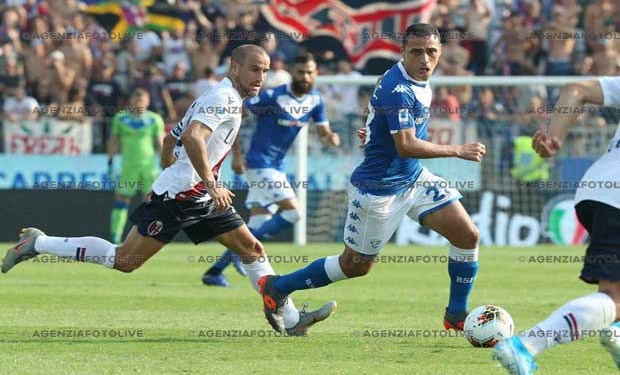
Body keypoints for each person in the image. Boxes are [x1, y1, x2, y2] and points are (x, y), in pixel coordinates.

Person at [1, 45, 335, 336]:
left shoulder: (224, 97)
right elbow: (192, 137)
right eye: (253, 69)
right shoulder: (222, 97)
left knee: (250, 247)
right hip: (182, 197)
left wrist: (172, 162)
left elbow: (172, 137)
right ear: (233, 68)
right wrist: (209, 181)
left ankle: (288, 317)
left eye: (263, 70)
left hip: (198, 195)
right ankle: (38, 242)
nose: (260, 76)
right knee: (125, 260)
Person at [256, 23, 486, 333]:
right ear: (403, 52)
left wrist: (374, 129)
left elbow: (381, 116)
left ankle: (456, 314)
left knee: (467, 235)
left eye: (431, 52)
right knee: (355, 266)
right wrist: (458, 150)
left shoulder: (415, 79)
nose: (425, 59)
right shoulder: (398, 89)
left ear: (440, 52)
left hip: (414, 178)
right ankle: (278, 286)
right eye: (416, 52)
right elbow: (406, 146)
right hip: (378, 189)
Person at [493, 78, 620, 374]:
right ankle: (524, 346)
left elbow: (577, 89)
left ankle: (616, 332)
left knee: (615, 294)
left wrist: (555, 138)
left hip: (595, 190)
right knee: (613, 298)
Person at [203, 52, 340, 287]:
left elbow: (323, 131)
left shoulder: (315, 99)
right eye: (300, 72)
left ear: (316, 73)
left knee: (257, 223)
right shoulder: (272, 97)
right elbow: (236, 112)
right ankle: (239, 253)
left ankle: (214, 272)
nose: (305, 77)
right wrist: (236, 154)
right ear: (291, 72)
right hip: (258, 164)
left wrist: (331, 138)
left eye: (310, 72)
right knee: (294, 213)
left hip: (277, 166)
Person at [107, 89, 165, 244]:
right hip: (128, 167)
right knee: (121, 200)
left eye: (142, 99)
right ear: (130, 101)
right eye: (135, 98)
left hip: (149, 167)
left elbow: (161, 143)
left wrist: (165, 164)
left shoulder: (155, 119)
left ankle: (149, 237)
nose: (138, 101)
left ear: (148, 101)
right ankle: (115, 237)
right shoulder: (120, 118)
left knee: (151, 202)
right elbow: (114, 141)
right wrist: (111, 161)